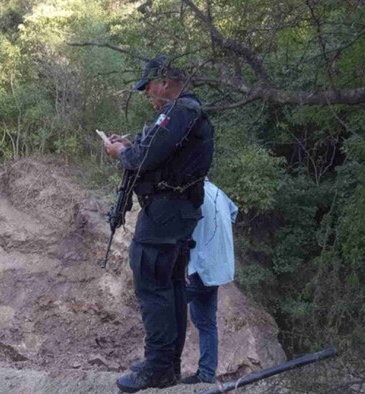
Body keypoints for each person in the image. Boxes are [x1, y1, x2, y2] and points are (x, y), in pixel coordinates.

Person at [104, 55, 214, 392]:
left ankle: (157, 367)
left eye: (149, 86)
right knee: (172, 287)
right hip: (177, 212)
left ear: (165, 82)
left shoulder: (178, 111)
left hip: (165, 213)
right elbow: (154, 151)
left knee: (153, 285)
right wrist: (130, 145)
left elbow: (143, 158)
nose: (147, 94)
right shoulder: (187, 112)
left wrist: (118, 152)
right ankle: (166, 366)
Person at [180, 180, 238, 384]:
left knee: (168, 309)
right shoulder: (217, 191)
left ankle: (164, 368)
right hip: (218, 267)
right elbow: (233, 213)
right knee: (206, 323)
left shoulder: (190, 192)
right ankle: (206, 374)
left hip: (201, 267)